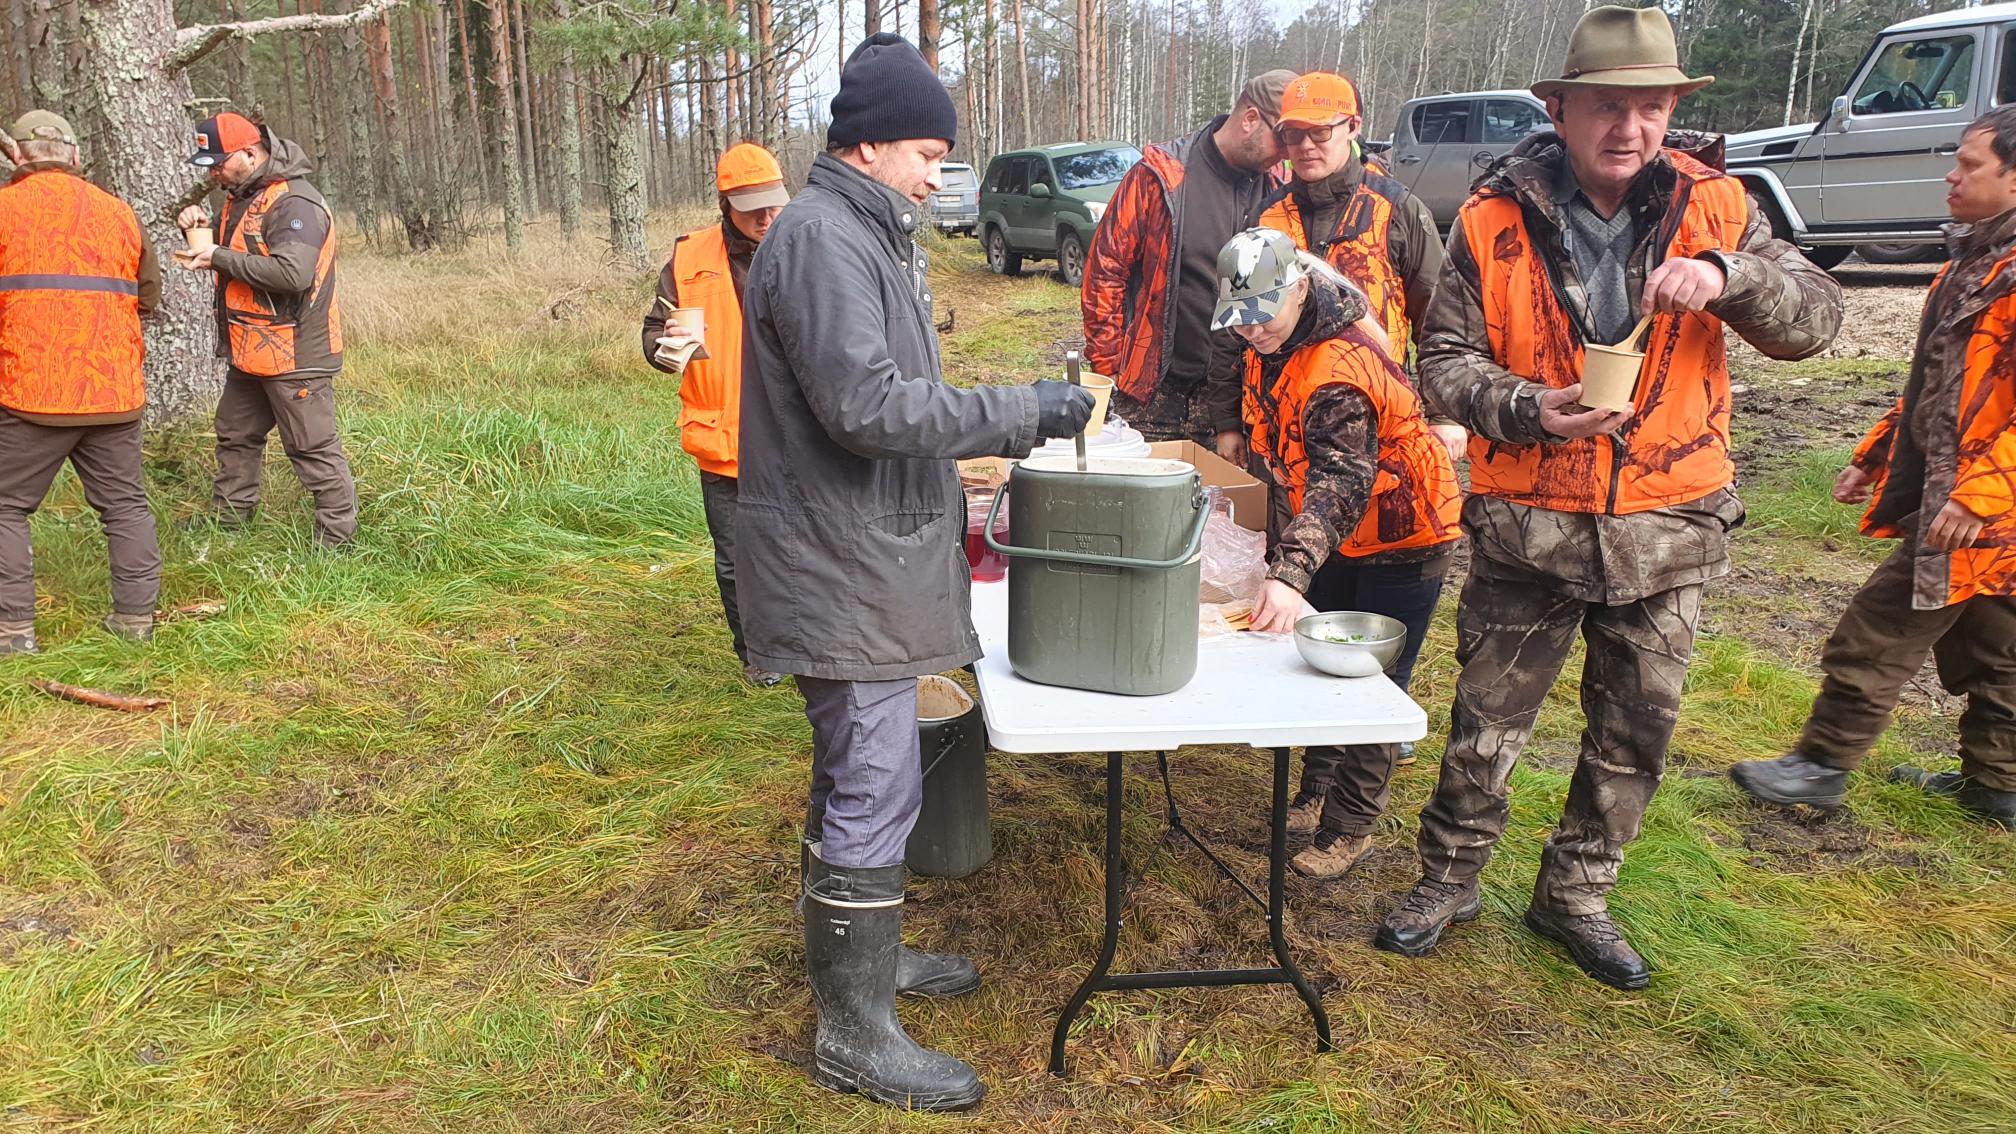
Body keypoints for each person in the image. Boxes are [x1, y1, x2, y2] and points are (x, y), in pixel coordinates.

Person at [1383, 5, 1844, 990]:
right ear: (1559, 110)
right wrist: (1528, 408)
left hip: (1669, 527)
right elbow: (1444, 363)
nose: (1629, 128)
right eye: (1606, 107)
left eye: (1651, 107)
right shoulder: (1489, 218)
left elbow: (1814, 323)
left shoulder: (1722, 209)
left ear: (1672, 110)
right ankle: (1449, 879)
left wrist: (1729, 276)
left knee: (1635, 734)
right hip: (1528, 526)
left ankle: (1576, 896)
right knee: (1483, 726)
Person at [736, 33, 1094, 1112]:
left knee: (859, 776)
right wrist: (1020, 412)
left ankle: (867, 963)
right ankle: (854, 1035)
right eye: (930, 155)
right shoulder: (822, 240)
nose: (940, 177)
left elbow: (881, 394)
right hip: (839, 568)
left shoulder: (861, 232)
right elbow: (867, 407)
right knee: (873, 780)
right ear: (873, 144)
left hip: (859, 552)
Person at [1729, 107, 2016, 830]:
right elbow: (1938, 384)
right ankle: (1999, 787)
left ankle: (1820, 766)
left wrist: (1979, 497)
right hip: (1976, 500)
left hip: (1983, 508)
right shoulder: (1975, 264)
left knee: (1878, 630)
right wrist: (1879, 455)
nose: (1951, 175)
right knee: (1997, 642)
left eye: (1969, 164)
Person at [1213, 228, 1462, 878]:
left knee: (1374, 682)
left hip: (1404, 534)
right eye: (1240, 317)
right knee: (1322, 665)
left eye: (1262, 314)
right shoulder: (1276, 343)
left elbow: (1344, 480)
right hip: (1337, 534)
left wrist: (1292, 570)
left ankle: (1351, 827)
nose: (1251, 330)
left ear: (1299, 289)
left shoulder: (1337, 370)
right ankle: (1316, 793)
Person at [1256, 70, 1464, 808]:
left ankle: (1353, 805)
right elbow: (1243, 328)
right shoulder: (1271, 216)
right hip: (1316, 458)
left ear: (1353, 126)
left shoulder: (1396, 209)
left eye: (1321, 131)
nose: (1306, 146)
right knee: (1324, 639)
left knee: (1374, 655)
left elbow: (1442, 317)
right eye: (1293, 134)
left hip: (1387, 453)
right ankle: (1317, 785)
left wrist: (1447, 412)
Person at [0, 111, 162, 654]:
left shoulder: (3, 209)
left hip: (31, 392)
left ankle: (13, 632)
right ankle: (135, 620)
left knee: (5, 506)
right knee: (125, 505)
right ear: (73, 155)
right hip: (113, 391)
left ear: (16, 155)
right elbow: (148, 296)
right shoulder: (119, 212)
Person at [1082, 69, 1294, 458]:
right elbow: (1105, 270)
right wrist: (1108, 366)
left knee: (1227, 500)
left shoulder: (1278, 188)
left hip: (1235, 405)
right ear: (1250, 119)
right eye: (1283, 139)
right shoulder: (1161, 175)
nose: (1288, 152)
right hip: (1153, 396)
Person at [641, 142, 791, 687]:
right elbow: (654, 331)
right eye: (752, 208)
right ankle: (758, 655)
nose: (766, 217)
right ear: (725, 204)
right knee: (737, 559)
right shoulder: (689, 258)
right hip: (723, 439)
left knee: (802, 550)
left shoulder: (805, 243)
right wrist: (664, 349)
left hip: (796, 437)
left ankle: (808, 647)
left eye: (774, 204)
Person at [176, 112, 357, 548]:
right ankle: (229, 523)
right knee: (236, 435)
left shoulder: (295, 203)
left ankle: (338, 542)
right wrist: (200, 232)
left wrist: (217, 256)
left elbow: (293, 274)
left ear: (250, 154)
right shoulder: (243, 196)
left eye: (219, 163)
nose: (214, 173)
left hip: (295, 352)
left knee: (312, 447)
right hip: (251, 350)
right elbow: (241, 251)